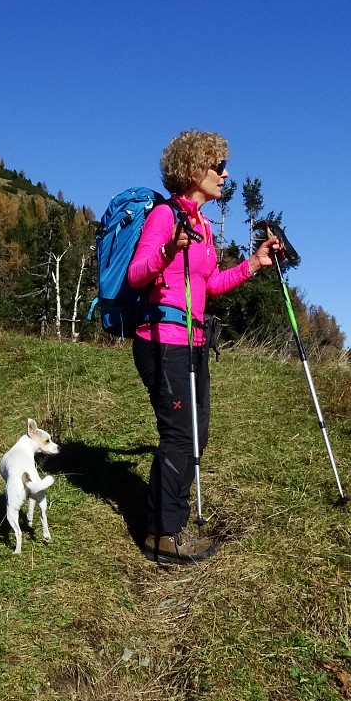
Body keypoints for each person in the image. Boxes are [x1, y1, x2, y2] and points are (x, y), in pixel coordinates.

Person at [127, 130, 281, 564]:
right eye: (218, 166)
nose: (225, 173)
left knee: (197, 436)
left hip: (194, 343)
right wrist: (166, 249)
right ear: (194, 170)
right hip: (162, 342)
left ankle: (167, 518)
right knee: (179, 435)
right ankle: (163, 534)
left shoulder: (203, 226)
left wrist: (253, 264)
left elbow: (208, 285)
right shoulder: (165, 216)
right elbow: (138, 274)